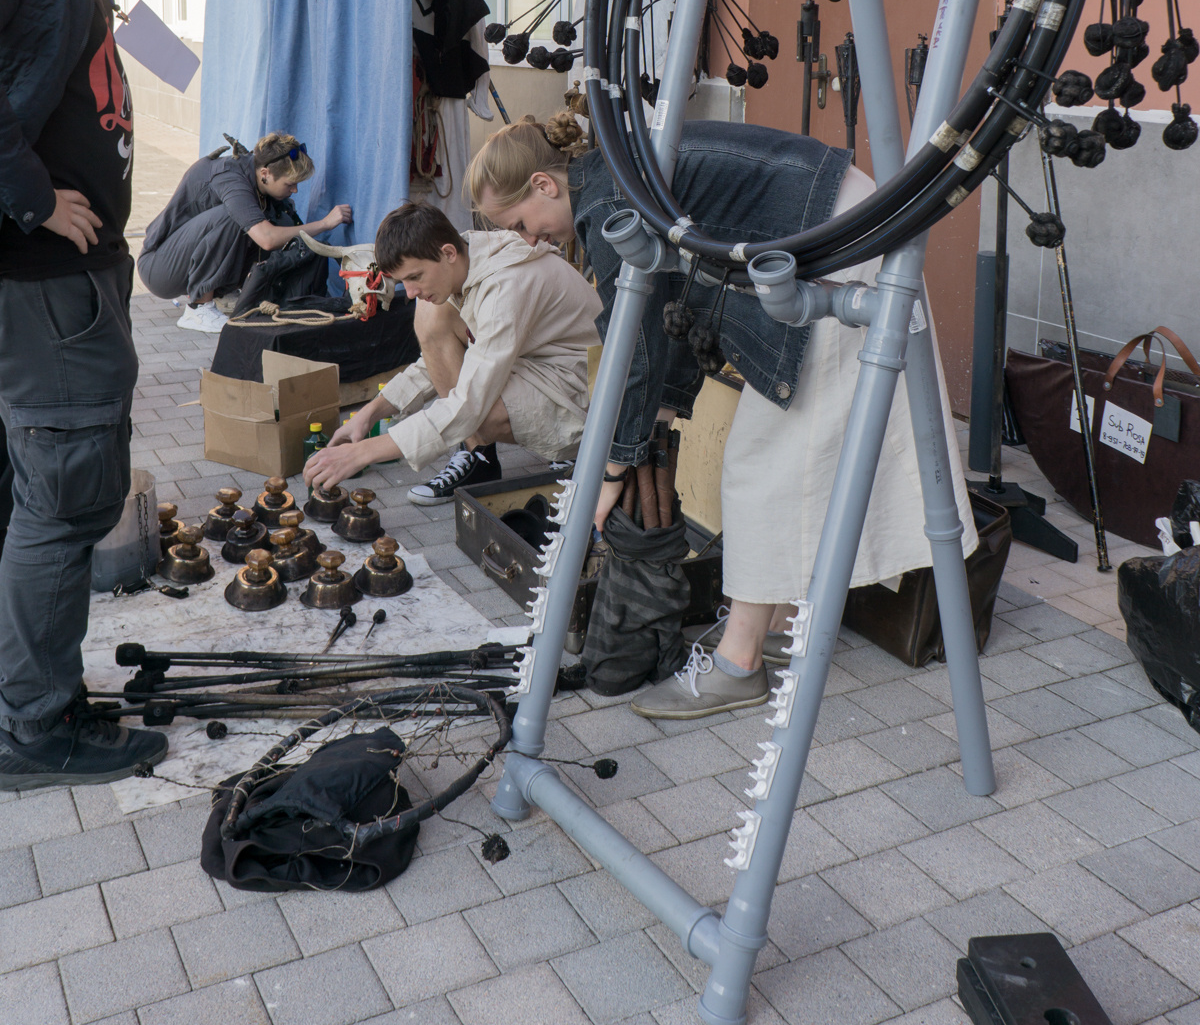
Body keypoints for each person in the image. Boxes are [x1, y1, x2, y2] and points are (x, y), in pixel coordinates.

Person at [466, 112, 977, 720]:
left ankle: (740, 663)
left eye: (522, 224)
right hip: (837, 229)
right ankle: (782, 618)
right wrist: (649, 420)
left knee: (759, 463)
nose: (531, 240)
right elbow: (665, 309)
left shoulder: (604, 201)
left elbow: (636, 340)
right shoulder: (617, 166)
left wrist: (611, 469)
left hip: (836, 248)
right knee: (805, 449)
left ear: (545, 186)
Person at [0, 0, 167, 787]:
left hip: (48, 290)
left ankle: (21, 697)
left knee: (33, 497)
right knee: (65, 502)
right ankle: (38, 729)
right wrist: (25, 195)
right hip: (49, 291)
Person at [303, 201, 600, 505]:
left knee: (483, 413)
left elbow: (470, 403)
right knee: (432, 313)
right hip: (537, 365)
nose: (411, 290)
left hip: (585, 394)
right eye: (403, 281)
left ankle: (575, 451)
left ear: (448, 252)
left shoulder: (505, 286)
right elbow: (435, 365)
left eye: (415, 276)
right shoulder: (465, 261)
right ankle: (478, 457)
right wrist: (368, 415)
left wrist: (363, 452)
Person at [138, 131, 351, 331]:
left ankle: (227, 293)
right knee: (237, 219)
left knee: (283, 224)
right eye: (290, 184)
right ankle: (198, 309)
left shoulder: (256, 172)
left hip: (182, 263)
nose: (294, 190)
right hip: (159, 267)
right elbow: (266, 239)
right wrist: (324, 224)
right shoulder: (230, 178)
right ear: (265, 173)